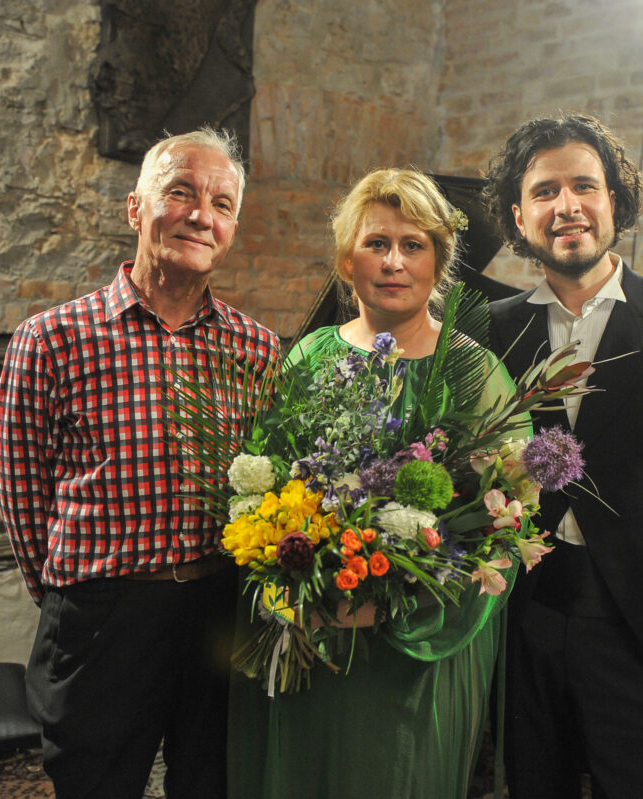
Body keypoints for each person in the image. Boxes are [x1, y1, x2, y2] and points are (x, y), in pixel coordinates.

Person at [226, 168, 529, 799]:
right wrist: (300, 588)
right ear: (347, 261)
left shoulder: (475, 372)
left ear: (439, 263)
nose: (394, 262)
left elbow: (504, 529)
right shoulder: (309, 357)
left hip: (422, 656)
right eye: (376, 244)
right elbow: (263, 490)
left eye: (413, 245)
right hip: (313, 630)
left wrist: (393, 610)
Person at [0, 127, 279, 799]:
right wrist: (78, 599)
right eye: (180, 192)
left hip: (219, 610)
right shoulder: (51, 338)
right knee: (96, 784)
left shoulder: (258, 349)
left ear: (232, 227)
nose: (201, 216)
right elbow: (21, 499)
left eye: (222, 204)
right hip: (102, 618)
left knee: (212, 783)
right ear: (135, 208)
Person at [483, 113, 643, 798]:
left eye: (584, 186)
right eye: (544, 191)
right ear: (518, 215)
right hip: (524, 624)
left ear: (613, 200)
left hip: (641, 631)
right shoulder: (492, 330)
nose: (566, 205)